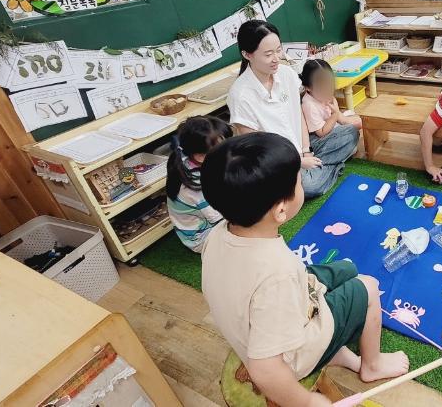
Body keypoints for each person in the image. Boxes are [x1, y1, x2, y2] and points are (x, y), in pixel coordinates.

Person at [199, 132, 409, 407]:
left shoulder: (217, 233)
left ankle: (335, 351)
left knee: (345, 268)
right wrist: (308, 402)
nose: (302, 183)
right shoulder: (278, 274)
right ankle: (372, 365)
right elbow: (265, 370)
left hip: (264, 320)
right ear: (280, 211)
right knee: (368, 286)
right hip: (291, 359)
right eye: (299, 181)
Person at [227, 20, 357, 198]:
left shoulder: (286, 74)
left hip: (304, 145)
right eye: (268, 54)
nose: (276, 58)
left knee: (350, 133)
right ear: (247, 54)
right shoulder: (240, 95)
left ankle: (314, 169)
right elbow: (256, 150)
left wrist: (305, 151)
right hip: (276, 162)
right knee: (311, 186)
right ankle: (330, 166)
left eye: (278, 50)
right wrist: (298, 162)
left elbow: (298, 116)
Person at [165, 115, 232, 252]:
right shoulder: (196, 187)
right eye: (224, 149)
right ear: (201, 156)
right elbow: (221, 218)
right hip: (202, 238)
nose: (230, 152)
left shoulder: (190, 159)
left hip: (208, 218)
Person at [300, 59, 362, 160]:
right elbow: (321, 132)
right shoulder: (309, 105)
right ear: (308, 88)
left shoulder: (324, 95)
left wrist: (340, 117)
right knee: (351, 131)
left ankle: (345, 150)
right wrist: (335, 115)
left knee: (355, 118)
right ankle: (340, 152)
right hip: (318, 138)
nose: (328, 89)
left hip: (331, 125)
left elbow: (337, 116)